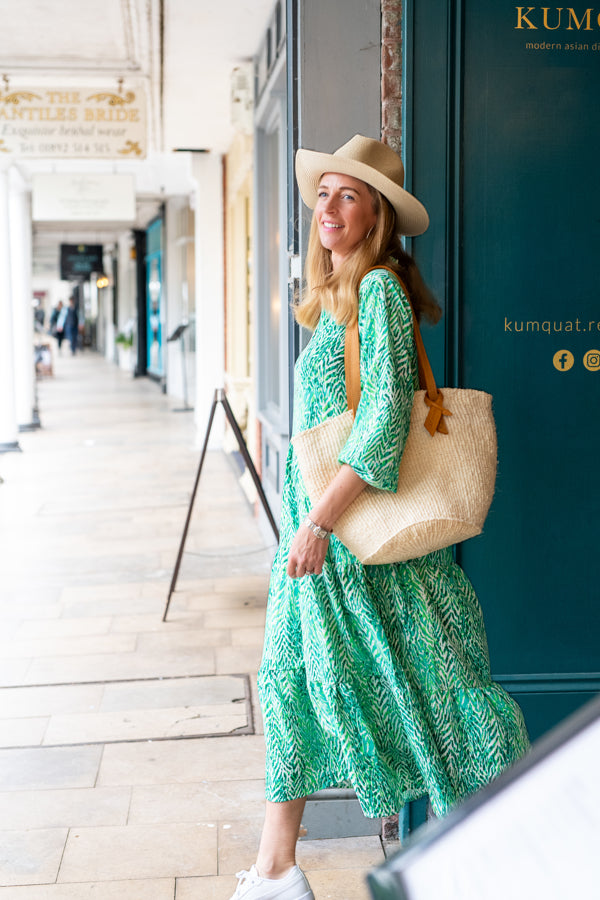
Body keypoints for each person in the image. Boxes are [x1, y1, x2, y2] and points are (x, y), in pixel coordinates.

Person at [230, 135, 530, 900]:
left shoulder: (380, 293)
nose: (329, 208)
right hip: (327, 543)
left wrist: (319, 521)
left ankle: (508, 845)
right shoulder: (335, 300)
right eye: (323, 194)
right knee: (294, 684)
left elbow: (384, 424)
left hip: (359, 539)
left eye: (349, 196)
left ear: (376, 217)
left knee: (436, 692)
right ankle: (275, 872)